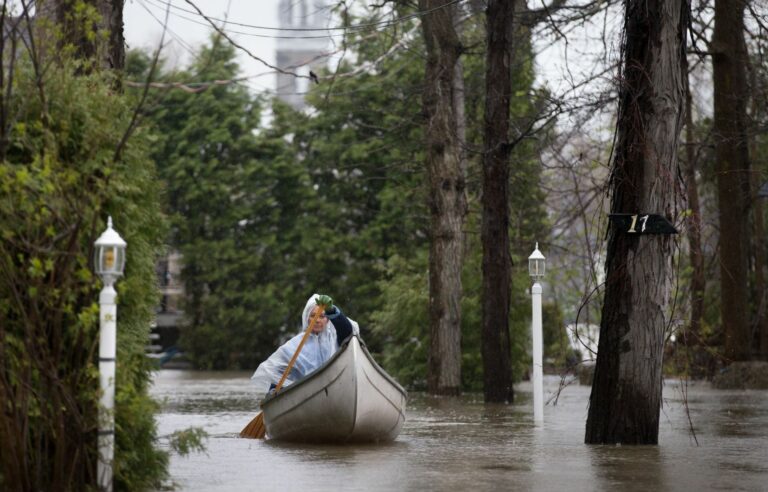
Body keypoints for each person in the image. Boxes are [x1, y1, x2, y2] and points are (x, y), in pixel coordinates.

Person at [250, 293, 358, 401]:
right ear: (307, 318)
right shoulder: (294, 345)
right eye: (313, 315)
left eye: (322, 316)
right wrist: (273, 391)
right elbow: (277, 371)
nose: (317, 320)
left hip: (335, 389)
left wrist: (331, 310)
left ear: (328, 319)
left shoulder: (334, 337)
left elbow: (348, 332)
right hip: (304, 396)